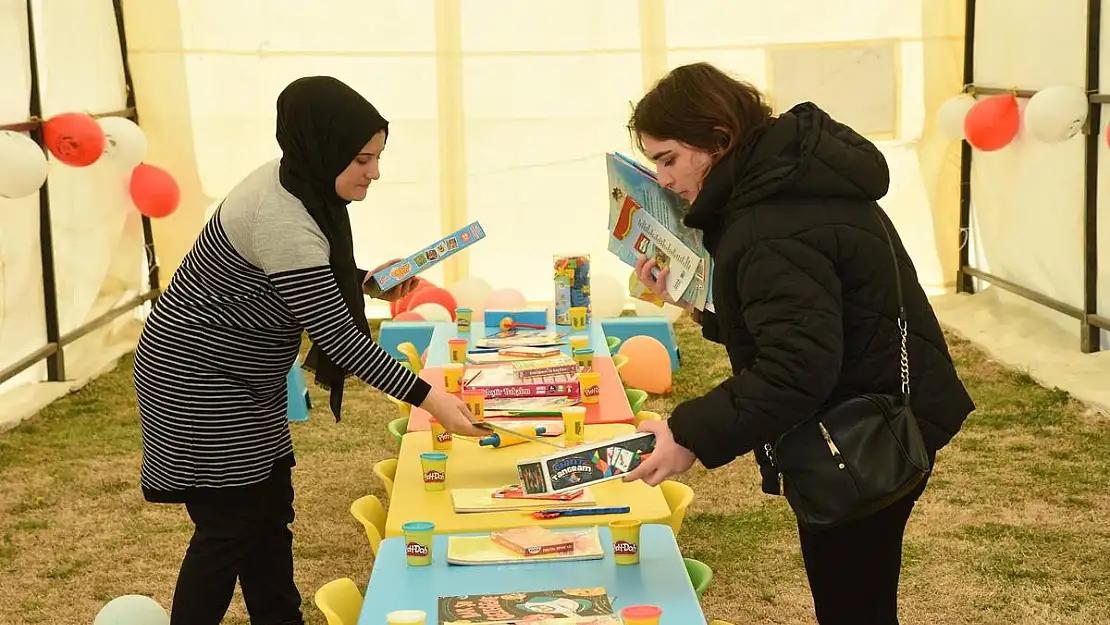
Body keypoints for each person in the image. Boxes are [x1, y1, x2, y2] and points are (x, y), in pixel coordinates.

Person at [621, 63, 975, 625]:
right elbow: (799, 324)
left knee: (852, 605)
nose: (663, 179)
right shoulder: (790, 182)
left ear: (718, 139)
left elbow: (795, 369)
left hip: (857, 434)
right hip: (873, 417)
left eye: (668, 159)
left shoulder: (770, 223)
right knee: (860, 600)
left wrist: (687, 434)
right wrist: (697, 303)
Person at [133, 75, 485, 625]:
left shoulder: (297, 182)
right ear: (324, 148)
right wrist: (431, 399)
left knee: (269, 513)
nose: (375, 172)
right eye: (363, 159)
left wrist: (363, 279)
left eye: (377, 157)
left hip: (242, 375)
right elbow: (342, 342)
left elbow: (304, 281)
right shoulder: (282, 217)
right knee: (229, 527)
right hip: (201, 378)